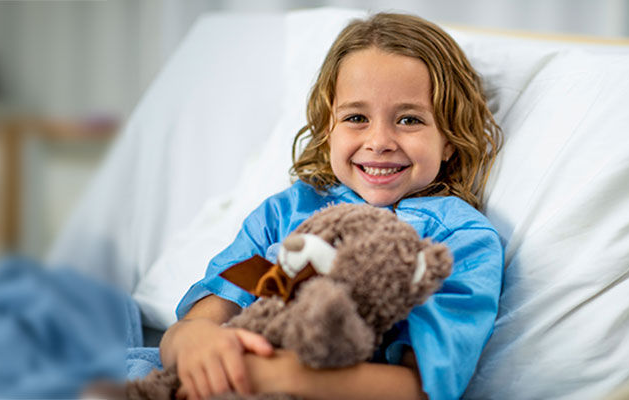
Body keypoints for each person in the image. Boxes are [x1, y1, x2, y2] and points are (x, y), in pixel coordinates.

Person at [157, 12, 504, 400]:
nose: (379, 141)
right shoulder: (285, 212)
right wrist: (192, 342)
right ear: (328, 129)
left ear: (450, 137)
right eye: (356, 117)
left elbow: (421, 387)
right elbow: (196, 323)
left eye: (409, 119)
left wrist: (278, 376)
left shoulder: (460, 239)